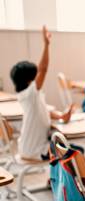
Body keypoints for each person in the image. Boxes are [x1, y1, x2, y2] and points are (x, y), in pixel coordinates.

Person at [10, 26, 74, 160]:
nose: (37, 76)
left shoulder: (30, 95)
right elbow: (43, 69)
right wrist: (46, 44)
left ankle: (56, 180)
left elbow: (45, 111)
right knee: (75, 154)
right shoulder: (29, 94)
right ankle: (58, 180)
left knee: (71, 149)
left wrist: (61, 116)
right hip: (34, 150)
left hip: (32, 146)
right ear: (29, 79)